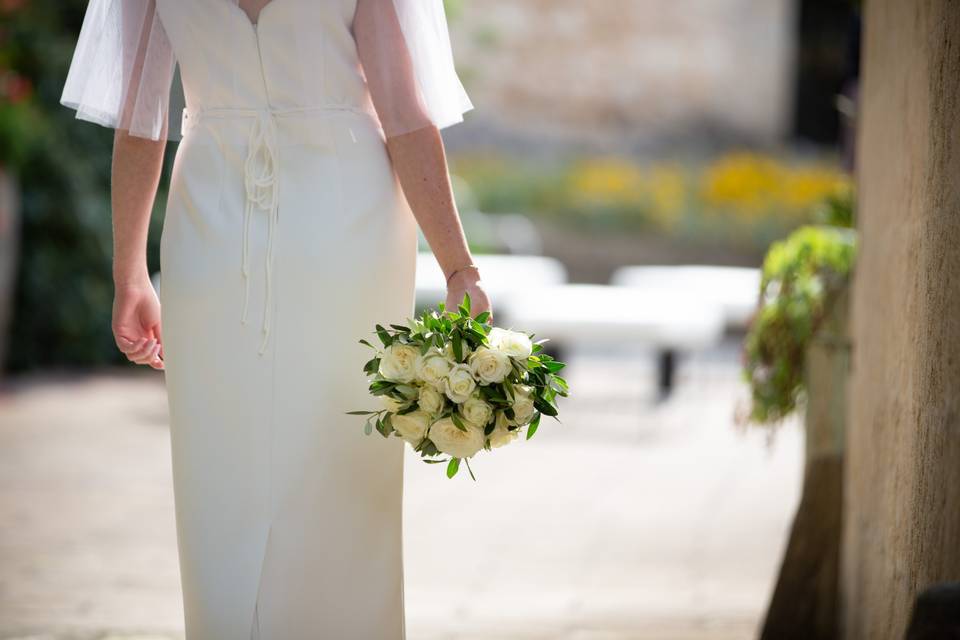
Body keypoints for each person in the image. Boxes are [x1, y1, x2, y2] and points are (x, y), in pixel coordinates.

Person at [60, 0, 492, 637]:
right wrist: (461, 270)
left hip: (239, 212)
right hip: (329, 210)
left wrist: (130, 273)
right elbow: (402, 111)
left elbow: (141, 122)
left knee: (271, 443)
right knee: (306, 441)